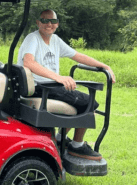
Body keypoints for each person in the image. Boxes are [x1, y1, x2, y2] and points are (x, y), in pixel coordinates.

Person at [17, 9, 116, 161]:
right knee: (90, 103)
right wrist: (58, 78)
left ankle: (58, 138)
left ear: (57, 24)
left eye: (53, 21)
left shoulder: (55, 40)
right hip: (40, 88)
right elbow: (28, 62)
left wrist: (105, 66)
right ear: (38, 23)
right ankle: (77, 145)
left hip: (50, 87)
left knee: (81, 101)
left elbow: (77, 56)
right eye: (44, 20)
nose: (49, 24)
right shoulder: (33, 38)